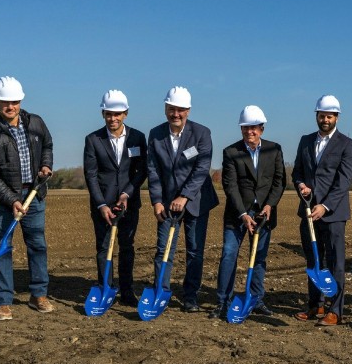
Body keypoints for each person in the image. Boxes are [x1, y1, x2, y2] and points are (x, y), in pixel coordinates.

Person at [0, 76, 54, 320]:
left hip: (34, 194)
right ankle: (3, 301)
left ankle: (38, 294)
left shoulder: (36, 123)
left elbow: (47, 146)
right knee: (2, 249)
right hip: (2, 202)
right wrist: (12, 200)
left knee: (37, 245)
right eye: (6, 102)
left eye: (15, 102)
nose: (11, 107)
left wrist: (46, 166)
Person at [146, 86, 220, 313]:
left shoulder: (201, 133)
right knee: (163, 250)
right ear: (165, 108)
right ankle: (161, 292)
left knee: (195, 251)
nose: (175, 114)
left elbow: (201, 168)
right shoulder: (156, 134)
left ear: (187, 110)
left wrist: (184, 196)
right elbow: (153, 169)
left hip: (197, 201)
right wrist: (157, 200)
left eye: (180, 110)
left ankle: (190, 296)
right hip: (167, 203)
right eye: (171, 109)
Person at [211, 105, 285, 319]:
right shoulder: (231, 152)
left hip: (264, 213)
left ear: (262, 128)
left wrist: (269, 205)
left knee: (259, 257)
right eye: (245, 128)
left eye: (254, 128)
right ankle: (223, 301)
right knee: (228, 255)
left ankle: (256, 299)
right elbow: (230, 185)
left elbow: (279, 182)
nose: (249, 132)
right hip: (238, 213)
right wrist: (243, 214)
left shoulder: (274, 149)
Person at [291, 95, 352, 326]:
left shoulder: (347, 145)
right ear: (316, 116)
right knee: (313, 261)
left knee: (335, 262)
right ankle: (315, 304)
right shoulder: (305, 141)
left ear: (336, 117)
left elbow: (344, 181)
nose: (325, 119)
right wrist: (301, 185)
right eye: (322, 115)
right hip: (308, 212)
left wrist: (325, 205)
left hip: (333, 214)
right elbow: (297, 171)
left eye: (329, 116)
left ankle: (335, 310)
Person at [82, 89, 147, 307]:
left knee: (127, 247)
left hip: (128, 202)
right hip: (102, 204)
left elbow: (141, 171)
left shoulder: (138, 137)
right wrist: (101, 204)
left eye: (117, 114)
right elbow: (90, 175)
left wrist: (127, 193)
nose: (113, 118)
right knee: (103, 248)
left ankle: (127, 291)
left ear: (125, 114)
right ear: (103, 114)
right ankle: (106, 289)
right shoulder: (93, 139)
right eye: (109, 114)